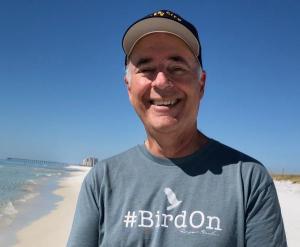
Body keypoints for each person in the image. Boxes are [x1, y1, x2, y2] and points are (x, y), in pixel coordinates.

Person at [67, 10, 287, 247]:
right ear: (128, 86)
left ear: (201, 84)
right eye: (146, 68)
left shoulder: (248, 180)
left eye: (177, 67)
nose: (161, 82)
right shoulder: (101, 180)